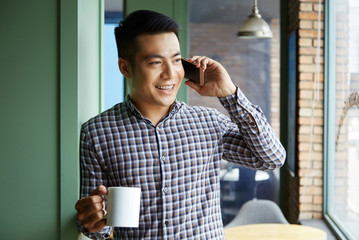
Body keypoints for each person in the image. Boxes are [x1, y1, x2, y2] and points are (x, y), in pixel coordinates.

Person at [75, 9, 286, 240]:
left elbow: (271, 158)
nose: (170, 73)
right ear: (125, 67)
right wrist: (93, 221)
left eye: (176, 60)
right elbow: (97, 230)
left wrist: (230, 95)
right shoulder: (96, 132)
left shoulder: (209, 122)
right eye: (155, 62)